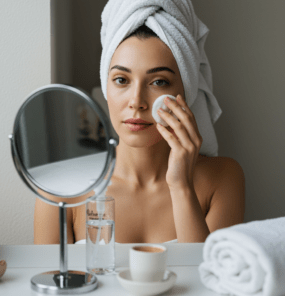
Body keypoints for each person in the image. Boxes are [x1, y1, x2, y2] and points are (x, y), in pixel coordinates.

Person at [34, 24, 245, 245]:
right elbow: (51, 278)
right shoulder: (59, 187)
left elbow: (209, 277)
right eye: (121, 80)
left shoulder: (223, 178)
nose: (136, 102)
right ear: (106, 88)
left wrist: (181, 186)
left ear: (186, 91)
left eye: (158, 82)